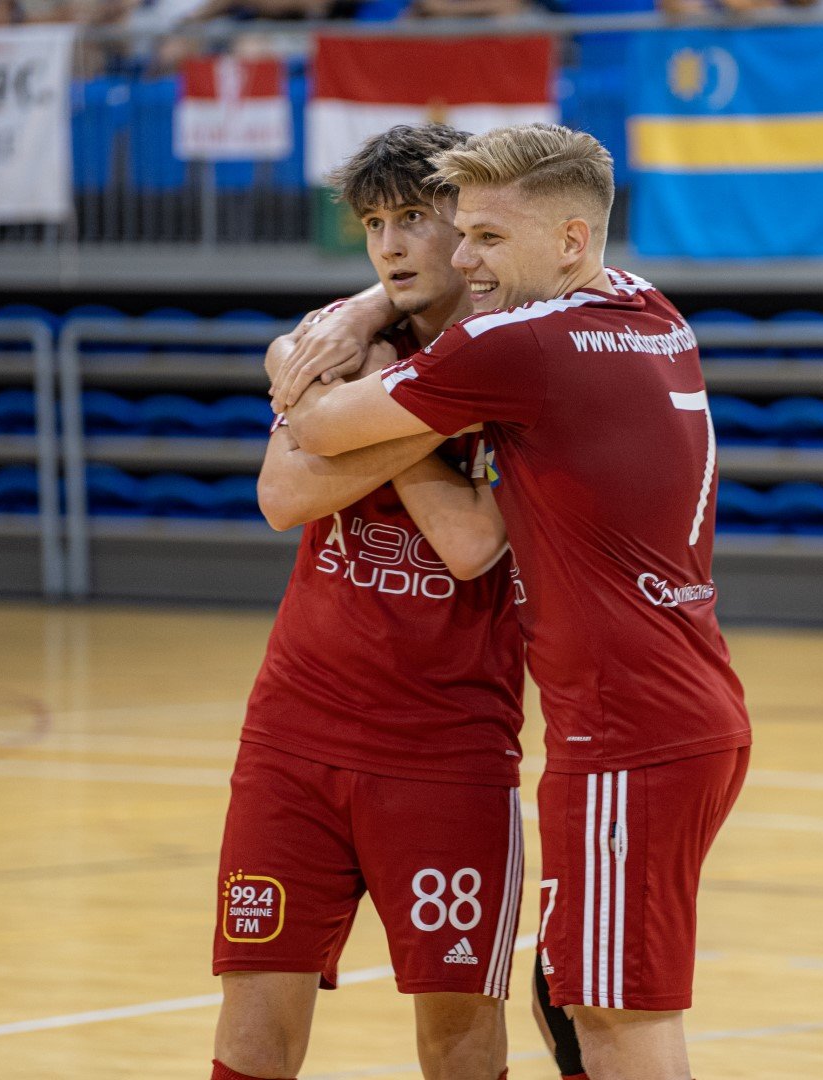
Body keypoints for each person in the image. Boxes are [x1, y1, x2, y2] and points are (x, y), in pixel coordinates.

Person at [272, 122, 751, 1080]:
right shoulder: (654, 313)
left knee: (619, 1021)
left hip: (626, 730)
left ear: (570, 241)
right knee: (577, 998)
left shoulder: (517, 343)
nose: (461, 255)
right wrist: (379, 301)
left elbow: (318, 425)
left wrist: (348, 342)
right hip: (674, 711)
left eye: (487, 237)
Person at [210, 124, 527, 1080]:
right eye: (374, 224)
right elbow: (282, 496)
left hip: (448, 747)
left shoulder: (525, 357)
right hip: (292, 735)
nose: (389, 245)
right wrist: (437, 410)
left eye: (415, 219)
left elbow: (474, 546)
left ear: (469, 227)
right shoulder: (351, 340)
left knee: (458, 1035)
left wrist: (368, 416)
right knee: (254, 1021)